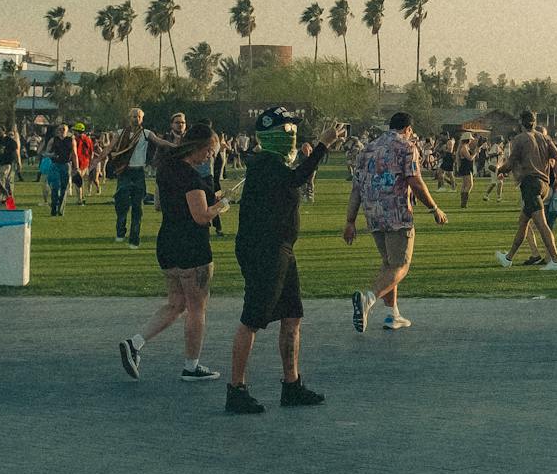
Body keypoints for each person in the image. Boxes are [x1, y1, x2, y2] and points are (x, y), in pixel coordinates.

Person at [225, 108, 343, 415]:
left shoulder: (273, 163)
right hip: (264, 249)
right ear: (274, 134)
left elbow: (296, 178)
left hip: (282, 248)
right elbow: (297, 179)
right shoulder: (265, 163)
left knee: (292, 316)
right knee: (252, 319)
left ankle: (291, 385)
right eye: (288, 129)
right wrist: (322, 146)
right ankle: (236, 389)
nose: (292, 134)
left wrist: (316, 152)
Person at [119, 123, 228, 383]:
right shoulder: (189, 176)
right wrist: (220, 207)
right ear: (199, 147)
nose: (210, 156)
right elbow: (201, 216)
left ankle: (134, 343)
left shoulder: (166, 169)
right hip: (191, 245)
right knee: (196, 308)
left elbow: (158, 204)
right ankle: (192, 365)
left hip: (167, 242)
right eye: (209, 150)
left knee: (176, 303)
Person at [347, 111, 447, 334]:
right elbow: (414, 180)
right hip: (397, 212)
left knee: (389, 264)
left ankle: (393, 314)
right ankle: (368, 299)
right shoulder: (407, 147)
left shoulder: (367, 149)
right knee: (401, 265)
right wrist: (434, 207)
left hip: (373, 212)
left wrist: (350, 220)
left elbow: (356, 188)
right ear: (408, 129)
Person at [495, 111, 557, 272]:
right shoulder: (545, 138)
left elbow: (511, 162)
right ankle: (508, 258)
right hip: (544, 184)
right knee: (523, 222)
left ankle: (556, 260)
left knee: (541, 224)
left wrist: (500, 170)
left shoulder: (519, 139)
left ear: (521, 123)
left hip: (530, 184)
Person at [106, 108, 175, 248]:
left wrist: (175, 146)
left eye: (138, 117)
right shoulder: (120, 133)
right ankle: (120, 229)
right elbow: (109, 148)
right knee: (122, 204)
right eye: (133, 116)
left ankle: (134, 238)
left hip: (138, 173)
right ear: (128, 118)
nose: (135, 119)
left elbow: (159, 142)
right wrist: (96, 161)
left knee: (138, 207)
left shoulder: (146, 133)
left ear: (142, 119)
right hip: (124, 172)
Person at [43, 121, 74, 216]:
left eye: (63, 129)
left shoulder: (71, 140)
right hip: (55, 165)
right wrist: (51, 154)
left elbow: (75, 154)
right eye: (59, 129)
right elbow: (45, 153)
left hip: (66, 165)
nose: (61, 131)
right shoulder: (53, 140)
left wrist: (76, 167)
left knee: (64, 188)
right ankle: (54, 207)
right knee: (55, 187)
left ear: (67, 131)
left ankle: (60, 209)